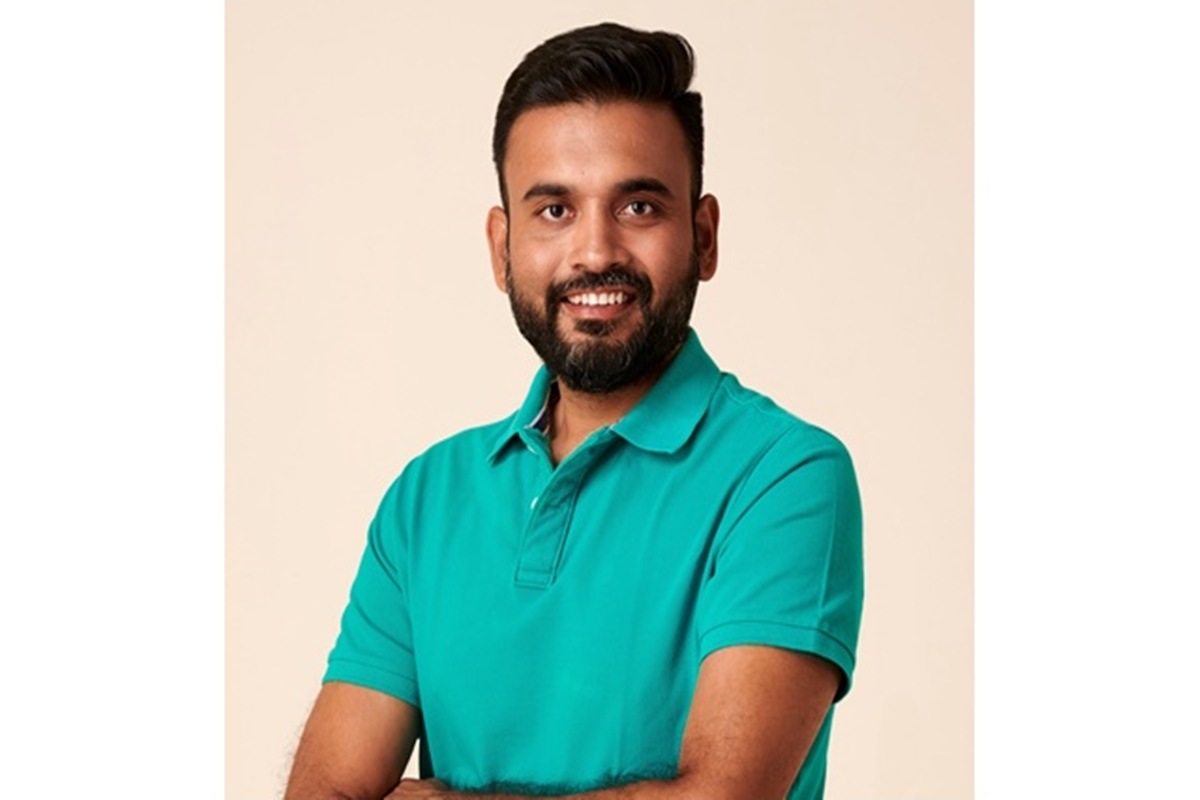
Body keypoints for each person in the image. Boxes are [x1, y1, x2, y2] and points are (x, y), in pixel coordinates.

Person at [284, 22, 864, 800]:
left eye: (639, 206)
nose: (595, 252)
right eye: (554, 210)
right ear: (501, 248)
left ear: (704, 236)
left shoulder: (784, 477)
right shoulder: (426, 498)